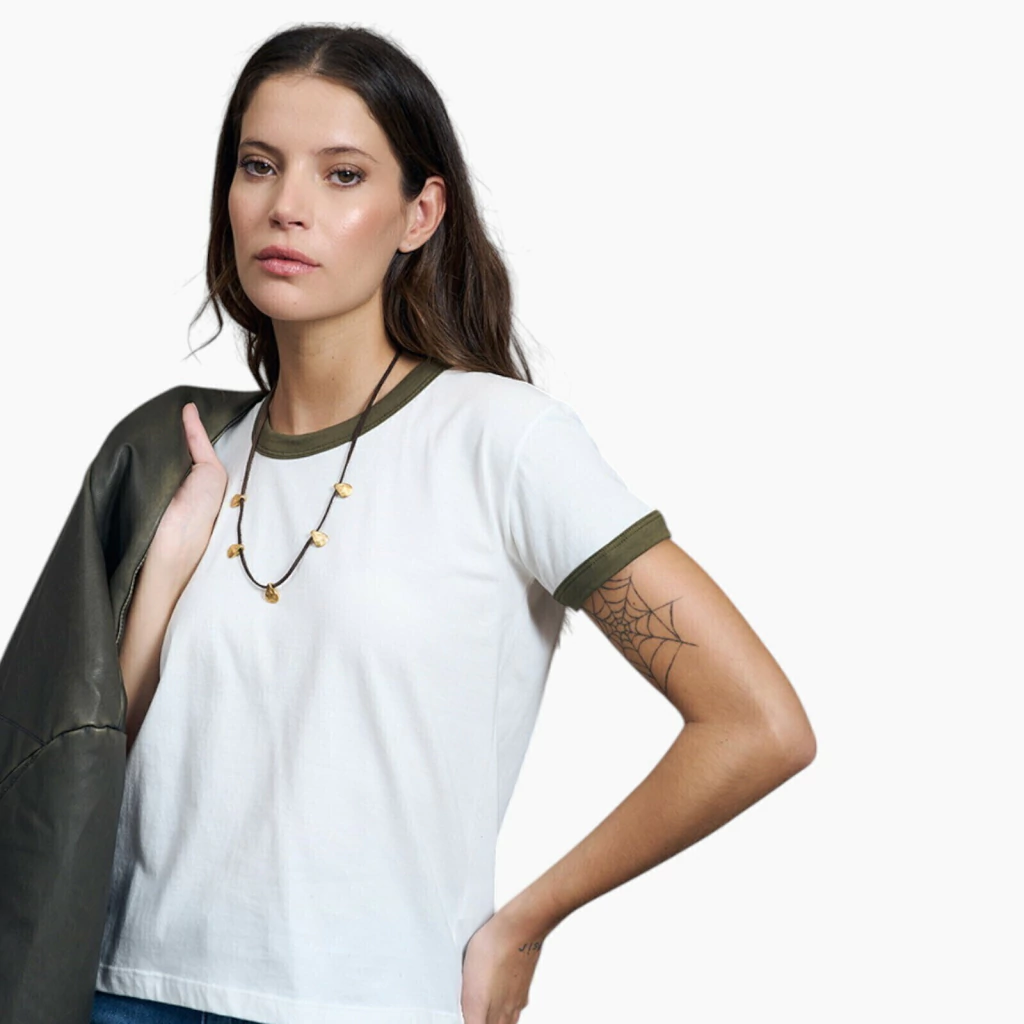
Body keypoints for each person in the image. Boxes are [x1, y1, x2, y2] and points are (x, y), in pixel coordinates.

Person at [66, 21, 816, 1024]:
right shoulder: (185, 453)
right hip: (126, 990)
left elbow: (757, 724)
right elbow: (79, 774)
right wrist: (163, 572)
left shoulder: (502, 443)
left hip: (364, 1003)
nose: (286, 206)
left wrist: (527, 922)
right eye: (258, 165)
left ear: (419, 213)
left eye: (342, 174)